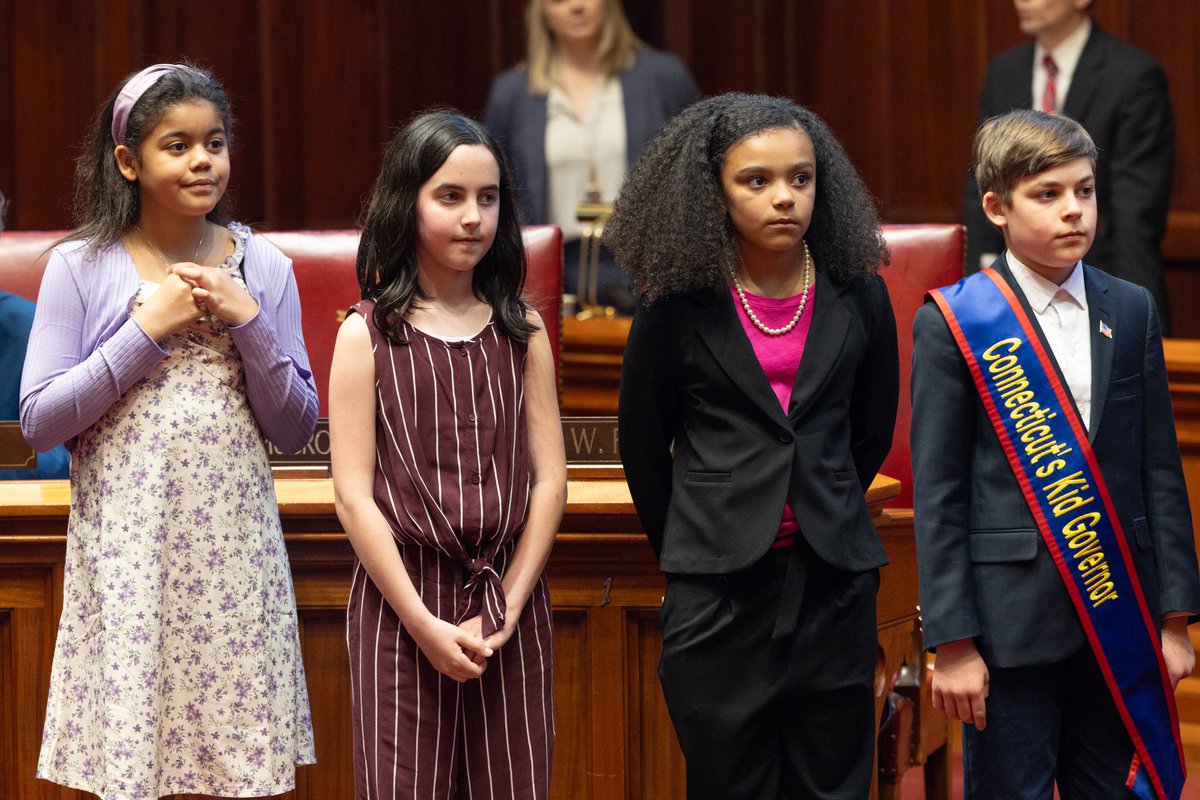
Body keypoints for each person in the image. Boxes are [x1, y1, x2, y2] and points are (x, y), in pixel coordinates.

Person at [19, 63, 318, 798]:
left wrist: (249, 322)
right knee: (135, 763)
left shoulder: (265, 265)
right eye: (176, 145)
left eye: (214, 144)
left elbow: (296, 426)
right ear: (129, 162)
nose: (201, 161)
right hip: (129, 558)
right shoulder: (80, 267)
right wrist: (144, 330)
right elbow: (40, 421)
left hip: (234, 561)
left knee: (236, 768)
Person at [607, 93, 899, 799]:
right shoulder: (674, 301)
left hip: (831, 583)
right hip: (718, 596)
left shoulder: (858, 293)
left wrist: (820, 503)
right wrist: (701, 543)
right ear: (714, 190)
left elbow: (872, 428)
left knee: (833, 786)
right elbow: (644, 446)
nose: (784, 198)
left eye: (801, 179)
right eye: (757, 181)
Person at [914, 109, 1199, 799]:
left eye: (1085, 190)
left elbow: (1160, 470)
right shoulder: (956, 321)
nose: (1074, 211)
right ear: (996, 208)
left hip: (1120, 616)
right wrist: (951, 642)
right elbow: (940, 490)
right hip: (1006, 628)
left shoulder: (1131, 308)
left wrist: (1176, 617)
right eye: (1048, 195)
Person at [328, 110, 566, 798]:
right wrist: (425, 626)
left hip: (506, 597)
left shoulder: (523, 330)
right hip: (403, 605)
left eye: (488, 199)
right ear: (408, 202)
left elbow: (551, 483)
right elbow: (353, 495)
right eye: (450, 197)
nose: (473, 218)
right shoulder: (367, 333)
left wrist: (511, 607)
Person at [962, 0, 1174, 332]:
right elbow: (983, 188)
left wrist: (1130, 314)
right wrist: (981, 285)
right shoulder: (1004, 70)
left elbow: (1136, 211)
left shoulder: (1133, 75)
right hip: (1011, 292)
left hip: (1099, 286)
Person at [483, 0, 698, 313]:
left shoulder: (664, 78)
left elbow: (697, 173)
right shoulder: (512, 92)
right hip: (554, 269)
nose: (577, 6)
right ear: (541, 11)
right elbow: (494, 189)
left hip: (648, 269)